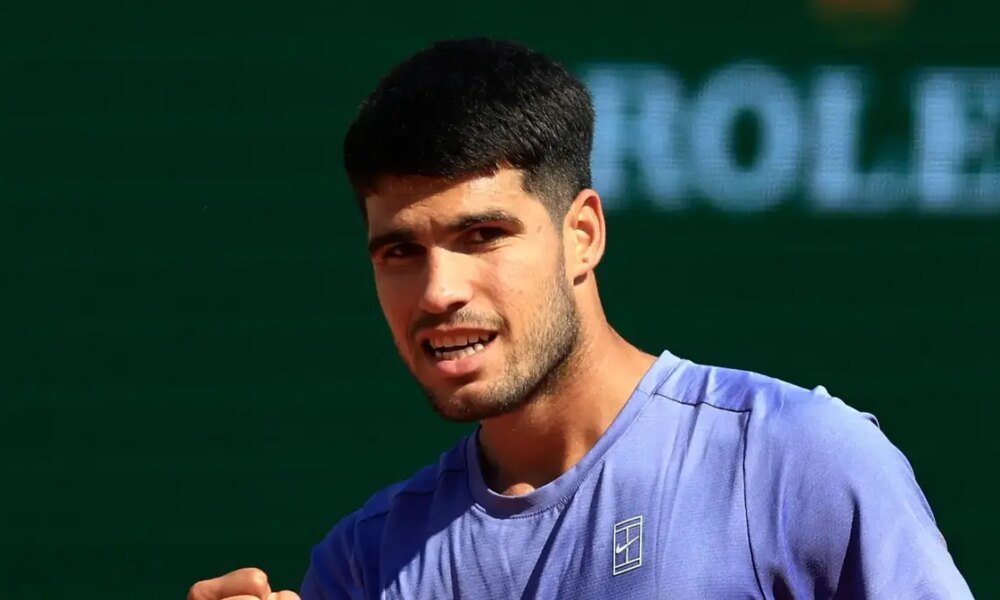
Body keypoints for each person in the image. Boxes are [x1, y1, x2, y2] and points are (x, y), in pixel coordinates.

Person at [188, 38, 973, 599]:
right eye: (400, 251)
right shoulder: (363, 566)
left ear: (582, 235)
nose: (437, 291)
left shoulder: (797, 462)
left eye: (482, 235)